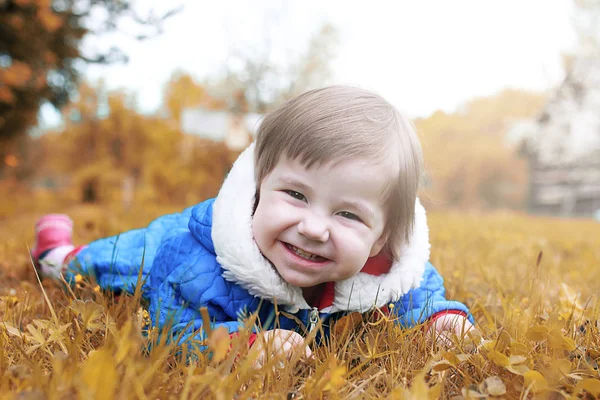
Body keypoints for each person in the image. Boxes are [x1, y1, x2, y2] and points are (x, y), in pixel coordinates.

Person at [32, 85, 474, 361]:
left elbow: (415, 291)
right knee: (107, 263)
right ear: (260, 187)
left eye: (348, 214)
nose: (314, 228)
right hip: (175, 244)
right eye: (296, 195)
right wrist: (235, 345)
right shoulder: (199, 262)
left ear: (383, 239)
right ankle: (57, 252)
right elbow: (170, 326)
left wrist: (439, 319)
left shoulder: (384, 269)